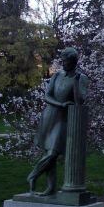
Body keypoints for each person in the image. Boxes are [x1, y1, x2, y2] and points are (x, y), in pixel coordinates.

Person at [26, 47, 89, 195]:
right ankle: (50, 187)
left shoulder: (81, 78)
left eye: (66, 61)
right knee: (49, 152)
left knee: (53, 152)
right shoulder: (57, 75)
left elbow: (80, 101)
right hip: (50, 115)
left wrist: (75, 82)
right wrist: (60, 104)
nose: (63, 63)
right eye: (63, 61)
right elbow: (47, 96)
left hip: (65, 119)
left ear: (74, 62)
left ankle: (33, 175)